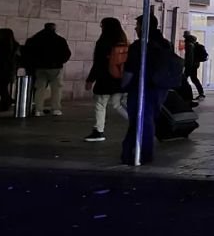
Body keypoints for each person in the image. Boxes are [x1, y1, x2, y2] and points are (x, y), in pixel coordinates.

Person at [120, 13, 177, 166]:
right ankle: (135, 151)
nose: (135, 28)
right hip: (160, 87)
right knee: (147, 119)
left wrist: (122, 86)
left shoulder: (139, 46)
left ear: (144, 27)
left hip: (142, 87)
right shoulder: (165, 43)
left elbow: (130, 70)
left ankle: (141, 153)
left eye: (137, 26)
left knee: (140, 120)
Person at [84, 18, 130, 142]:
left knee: (100, 104)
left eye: (102, 25)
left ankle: (99, 131)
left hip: (105, 78)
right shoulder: (124, 41)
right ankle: (137, 123)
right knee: (117, 104)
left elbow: (98, 63)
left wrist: (90, 80)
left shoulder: (103, 42)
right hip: (119, 78)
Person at [22, 22, 71, 116]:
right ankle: (56, 109)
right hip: (55, 67)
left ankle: (38, 109)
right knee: (56, 88)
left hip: (39, 67)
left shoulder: (35, 39)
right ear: (54, 28)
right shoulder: (59, 40)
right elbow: (66, 54)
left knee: (40, 88)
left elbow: (28, 53)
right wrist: (59, 62)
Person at [181, 32, 207, 100]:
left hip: (191, 65)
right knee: (194, 79)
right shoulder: (192, 44)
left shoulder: (189, 45)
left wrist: (187, 65)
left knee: (185, 79)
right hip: (194, 64)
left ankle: (186, 95)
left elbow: (190, 57)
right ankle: (201, 93)